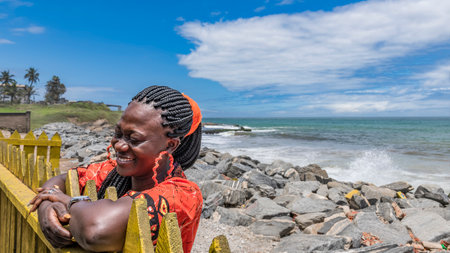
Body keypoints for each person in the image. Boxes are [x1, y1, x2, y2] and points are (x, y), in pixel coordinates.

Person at [29, 85, 203, 252]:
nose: (119, 145)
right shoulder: (111, 172)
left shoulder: (183, 195)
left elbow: (95, 231)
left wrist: (66, 201)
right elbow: (60, 181)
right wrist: (46, 210)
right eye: (118, 133)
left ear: (170, 145)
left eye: (134, 139)